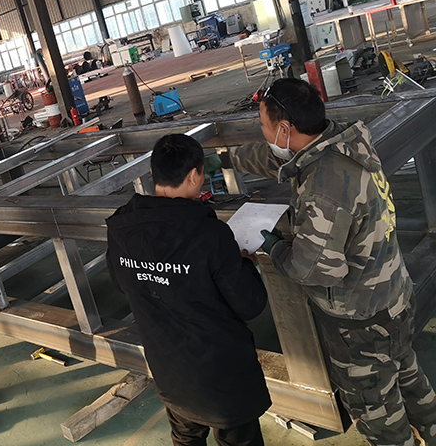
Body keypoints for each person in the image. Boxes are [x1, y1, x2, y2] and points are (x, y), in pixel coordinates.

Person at [213, 77, 436, 446]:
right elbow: (274, 159)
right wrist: (222, 159)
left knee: (375, 408)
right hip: (393, 294)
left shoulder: (325, 186)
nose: (263, 132)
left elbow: (313, 268)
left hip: (361, 320)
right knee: (405, 372)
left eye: (263, 125)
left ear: (285, 128)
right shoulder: (341, 142)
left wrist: (273, 245)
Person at [107, 133, 270, 446]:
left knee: (185, 438)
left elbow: (121, 283)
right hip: (222, 378)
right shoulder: (210, 234)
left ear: (153, 173)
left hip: (170, 372)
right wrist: (245, 265)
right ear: (194, 175)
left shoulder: (121, 227)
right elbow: (249, 304)